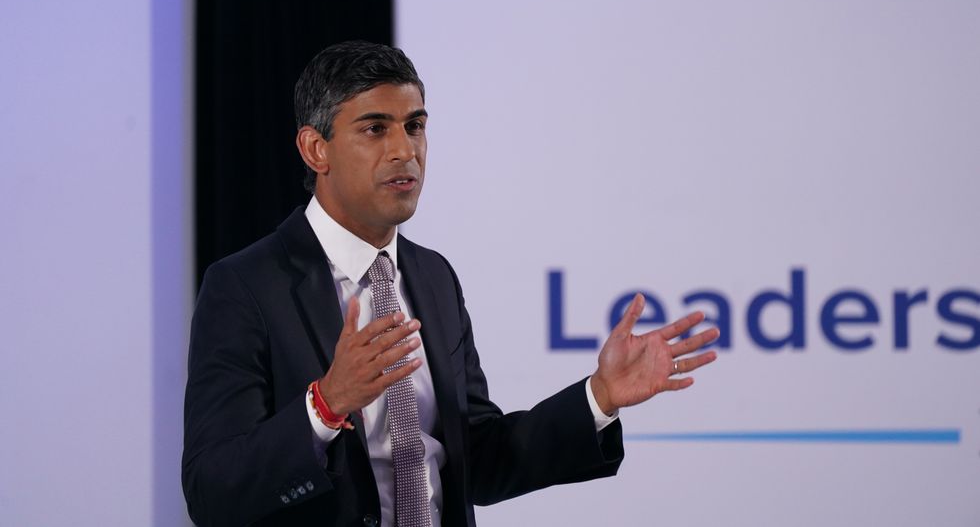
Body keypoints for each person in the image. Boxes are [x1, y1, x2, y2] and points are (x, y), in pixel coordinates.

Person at [182, 41, 720, 527]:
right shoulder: (245, 287)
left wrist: (597, 398)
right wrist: (326, 405)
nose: (404, 150)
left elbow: (480, 459)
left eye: (414, 126)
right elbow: (212, 493)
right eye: (375, 129)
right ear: (315, 149)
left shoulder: (434, 277)